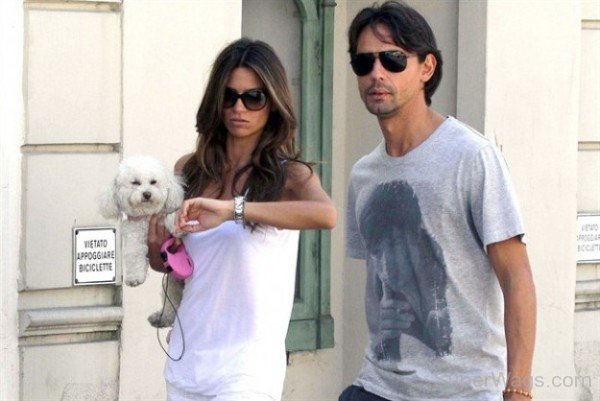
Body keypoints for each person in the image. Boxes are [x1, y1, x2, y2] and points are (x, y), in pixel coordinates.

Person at [341, 2, 536, 401]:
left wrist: (519, 389)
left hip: (461, 391)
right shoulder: (363, 175)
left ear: (426, 68)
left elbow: (516, 277)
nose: (376, 73)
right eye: (364, 63)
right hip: (379, 385)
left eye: (393, 59)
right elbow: (378, 283)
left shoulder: (471, 157)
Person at [147, 38, 336, 401]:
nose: (239, 107)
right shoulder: (190, 170)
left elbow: (326, 215)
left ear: (273, 103)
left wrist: (234, 210)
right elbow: (179, 266)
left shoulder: (289, 176)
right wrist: (158, 252)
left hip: (247, 369)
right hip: (189, 356)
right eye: (229, 96)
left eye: (254, 97)